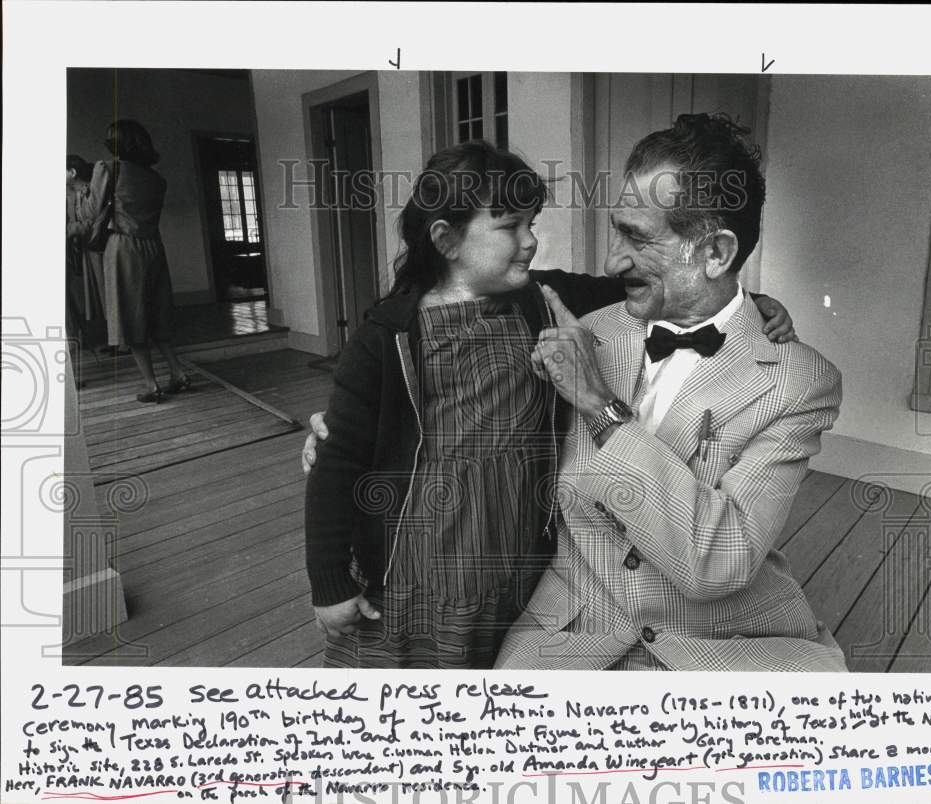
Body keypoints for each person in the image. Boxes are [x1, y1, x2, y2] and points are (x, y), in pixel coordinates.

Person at [302, 139, 796, 670]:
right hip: (421, 563)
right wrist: (329, 583)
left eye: (531, 224)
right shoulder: (388, 336)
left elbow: (652, 285)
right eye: (510, 227)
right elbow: (338, 464)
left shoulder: (543, 299)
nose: (530, 242)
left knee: (489, 660)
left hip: (513, 556)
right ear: (446, 240)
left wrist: (751, 304)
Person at [494, 114, 848, 671]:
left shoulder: (796, 381)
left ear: (715, 254)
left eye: (637, 237)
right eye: (617, 230)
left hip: (721, 641)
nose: (612, 262)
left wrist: (601, 408)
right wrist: (353, 425)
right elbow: (451, 317)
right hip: (570, 627)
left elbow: (717, 563)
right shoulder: (584, 331)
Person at [91, 119, 190, 402]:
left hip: (123, 247)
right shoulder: (157, 180)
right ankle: (178, 372)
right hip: (153, 247)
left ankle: (151, 384)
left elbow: (92, 209)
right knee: (158, 315)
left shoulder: (107, 168)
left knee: (129, 318)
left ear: (116, 143)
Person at [65, 155, 107, 351]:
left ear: (72, 173)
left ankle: (122, 342)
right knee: (95, 296)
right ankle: (110, 338)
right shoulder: (72, 195)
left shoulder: (91, 190)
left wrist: (68, 230)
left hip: (98, 248)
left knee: (106, 292)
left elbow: (92, 222)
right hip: (84, 251)